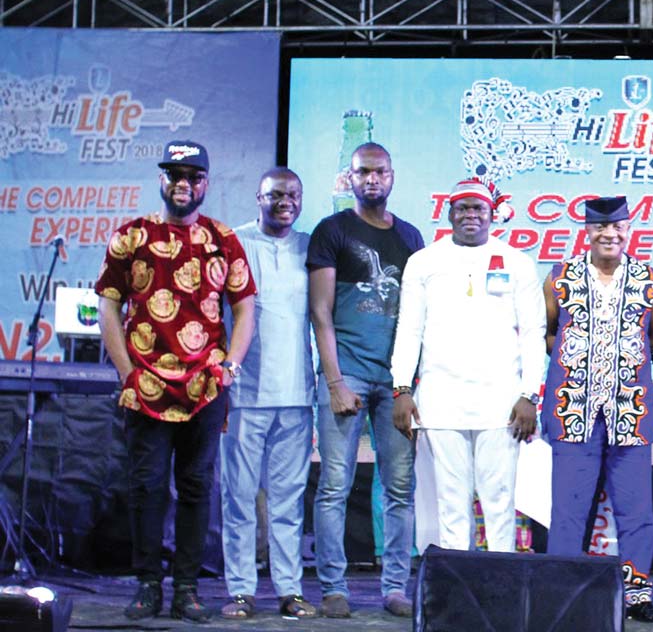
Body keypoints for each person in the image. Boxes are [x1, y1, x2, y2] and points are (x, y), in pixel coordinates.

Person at [96, 140, 256, 623]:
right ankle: (148, 585)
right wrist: (126, 371)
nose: (183, 184)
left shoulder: (223, 239)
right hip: (145, 385)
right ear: (161, 180)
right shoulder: (131, 236)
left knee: (196, 487)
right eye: (175, 175)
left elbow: (245, 308)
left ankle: (187, 588)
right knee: (146, 487)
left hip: (204, 386)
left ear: (206, 183)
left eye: (193, 176)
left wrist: (229, 367)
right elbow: (108, 303)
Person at [389, 178, 544, 553]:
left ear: (492, 214)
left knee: (500, 501)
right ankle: (457, 585)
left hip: (502, 403)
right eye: (462, 208)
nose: (470, 215)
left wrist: (529, 395)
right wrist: (402, 388)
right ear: (449, 214)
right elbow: (409, 329)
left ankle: (501, 583)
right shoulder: (424, 262)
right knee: (451, 504)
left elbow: (533, 333)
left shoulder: (517, 262)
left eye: (478, 208)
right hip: (441, 401)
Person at [308, 142, 424, 618]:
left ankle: (395, 587)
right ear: (349, 178)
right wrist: (335, 381)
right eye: (363, 172)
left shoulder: (411, 236)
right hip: (348, 373)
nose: (372, 179)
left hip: (395, 380)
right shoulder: (332, 230)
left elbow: (418, 316)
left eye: (379, 172)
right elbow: (320, 312)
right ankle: (334, 587)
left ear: (392, 176)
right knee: (334, 484)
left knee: (399, 487)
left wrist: (408, 385)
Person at [542, 196, 653, 624]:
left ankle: (637, 596)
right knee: (568, 510)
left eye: (617, 226)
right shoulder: (559, 278)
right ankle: (562, 594)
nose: (609, 234)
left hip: (629, 409)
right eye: (600, 227)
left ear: (628, 229)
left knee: (635, 510)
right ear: (587, 231)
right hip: (573, 408)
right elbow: (549, 333)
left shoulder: (650, 281)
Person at [216, 167, 317, 620]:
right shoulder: (234, 243)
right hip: (243, 393)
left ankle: (289, 590)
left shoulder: (311, 246)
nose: (285, 202)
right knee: (238, 498)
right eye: (275, 195)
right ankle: (241, 590)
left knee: (288, 501)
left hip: (296, 393)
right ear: (258, 198)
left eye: (292, 195)